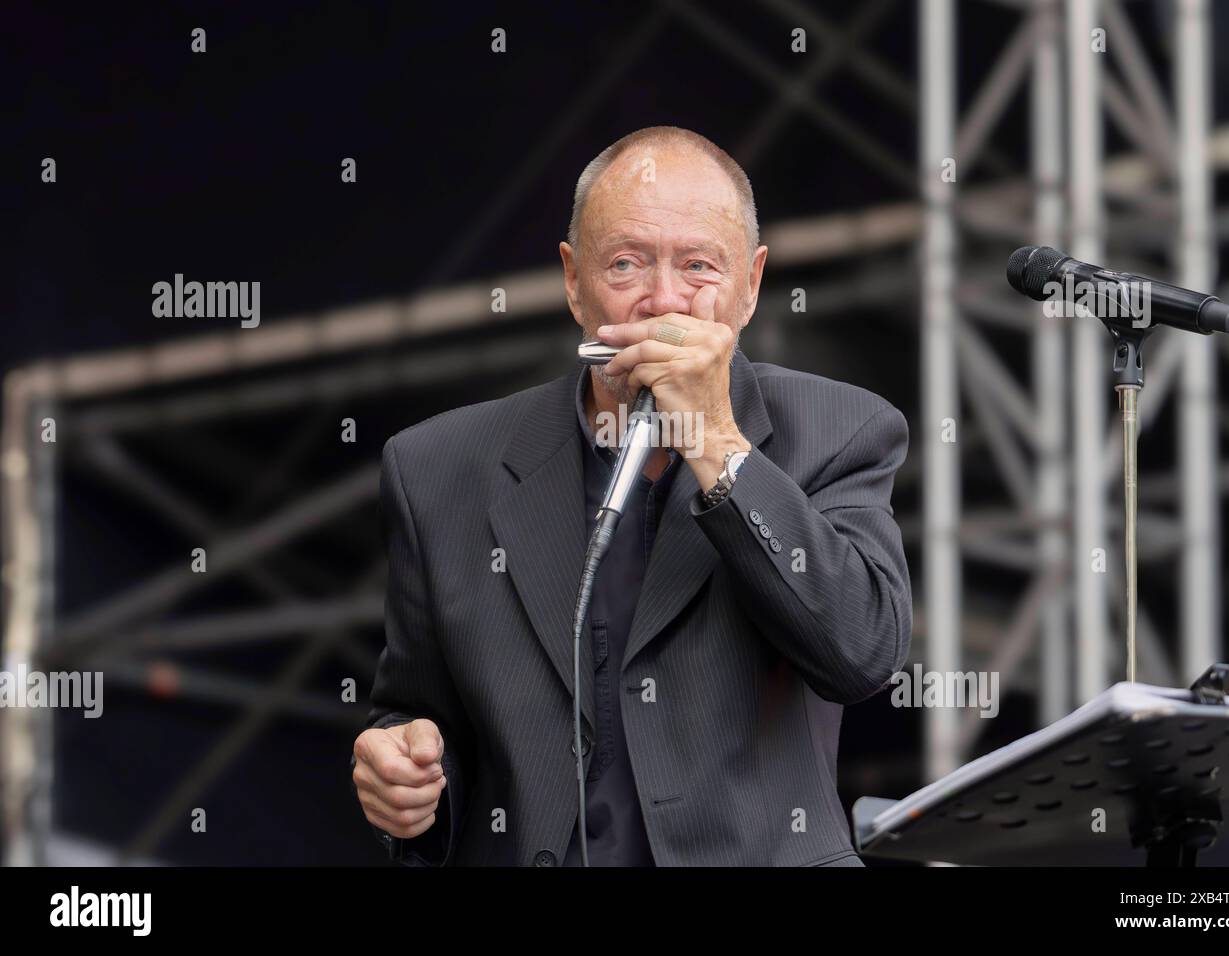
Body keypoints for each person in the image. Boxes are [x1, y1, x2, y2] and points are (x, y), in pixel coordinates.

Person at [351, 126, 911, 866]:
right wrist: (407, 773)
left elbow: (863, 652)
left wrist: (714, 438)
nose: (664, 300)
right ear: (573, 280)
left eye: (700, 266)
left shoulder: (840, 430)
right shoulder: (437, 466)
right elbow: (418, 714)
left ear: (752, 285)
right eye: (624, 263)